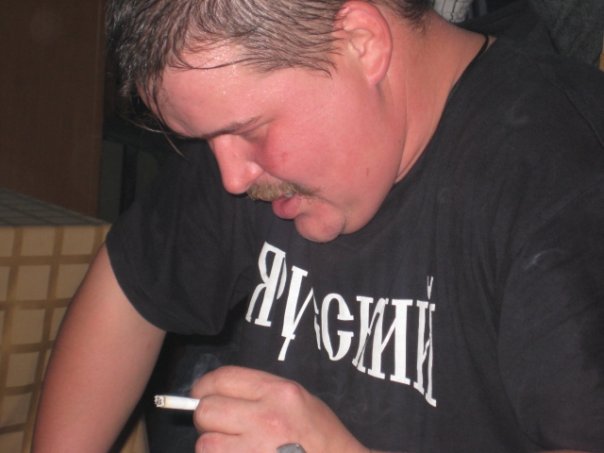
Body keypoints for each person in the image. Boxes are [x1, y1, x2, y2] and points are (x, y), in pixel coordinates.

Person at [33, 0, 604, 452]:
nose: (231, 179)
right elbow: (131, 288)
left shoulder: (567, 174)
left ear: (360, 43)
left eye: (249, 131)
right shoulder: (253, 130)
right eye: (206, 140)